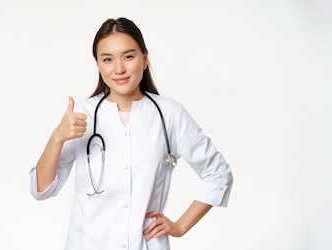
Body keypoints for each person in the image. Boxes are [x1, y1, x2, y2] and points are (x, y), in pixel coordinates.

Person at [28, 17, 233, 250]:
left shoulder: (170, 114)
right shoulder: (83, 115)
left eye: (129, 56)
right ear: (98, 65)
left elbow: (218, 173)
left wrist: (180, 226)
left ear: (144, 59)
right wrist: (57, 138)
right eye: (108, 59)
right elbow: (41, 190)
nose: (119, 69)